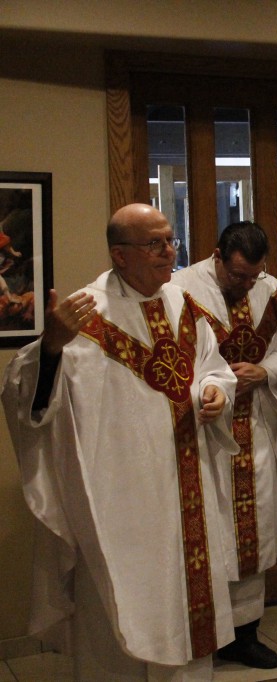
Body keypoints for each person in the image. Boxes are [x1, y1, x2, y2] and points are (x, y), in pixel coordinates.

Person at [2, 203, 239, 680]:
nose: (169, 251)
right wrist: (50, 346)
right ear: (120, 254)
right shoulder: (85, 316)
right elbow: (24, 397)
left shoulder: (185, 308)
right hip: (121, 508)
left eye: (171, 240)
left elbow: (215, 369)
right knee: (118, 628)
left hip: (187, 491)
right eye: (155, 244)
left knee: (190, 631)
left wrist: (216, 392)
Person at [172, 220, 277, 670]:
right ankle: (208, 633)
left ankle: (245, 635)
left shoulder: (275, 294)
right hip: (205, 433)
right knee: (211, 533)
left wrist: (264, 372)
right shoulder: (180, 290)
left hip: (258, 428)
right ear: (217, 257)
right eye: (237, 276)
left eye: (254, 276)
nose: (247, 285)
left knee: (257, 531)